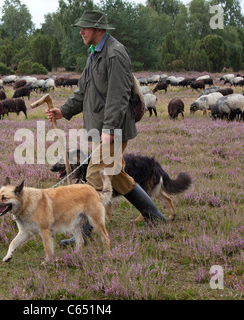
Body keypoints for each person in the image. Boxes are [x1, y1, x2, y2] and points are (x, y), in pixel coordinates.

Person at [46, 10, 166, 245]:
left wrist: (110, 129)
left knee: (93, 173)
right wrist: (65, 110)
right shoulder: (93, 54)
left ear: (99, 30)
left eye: (85, 28)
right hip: (101, 129)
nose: (81, 32)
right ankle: (156, 217)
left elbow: (119, 96)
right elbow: (83, 91)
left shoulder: (114, 54)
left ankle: (84, 233)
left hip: (114, 129)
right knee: (115, 174)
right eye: (81, 28)